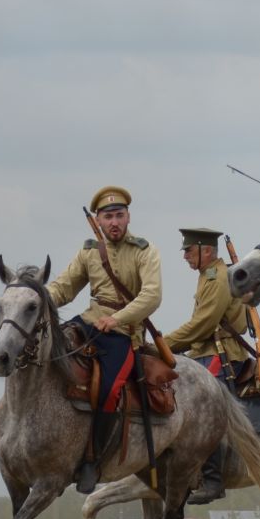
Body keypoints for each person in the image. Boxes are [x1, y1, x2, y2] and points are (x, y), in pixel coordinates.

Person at [44, 186, 163, 493]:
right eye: (108, 216)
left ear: (128, 217)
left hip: (123, 333)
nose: (114, 222)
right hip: (87, 323)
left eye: (119, 215)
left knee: (109, 391)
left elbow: (151, 296)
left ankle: (92, 461)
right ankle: (12, 430)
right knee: (41, 356)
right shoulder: (89, 251)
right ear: (98, 220)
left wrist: (118, 318)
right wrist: (36, 301)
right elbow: (64, 288)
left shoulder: (144, 251)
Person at [163, 226, 256, 504]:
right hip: (205, 351)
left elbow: (202, 324)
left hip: (222, 356)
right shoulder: (207, 275)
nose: (185, 257)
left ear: (206, 250)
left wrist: (162, 345)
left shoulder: (217, 278)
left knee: (206, 407)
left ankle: (213, 478)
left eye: (189, 251)